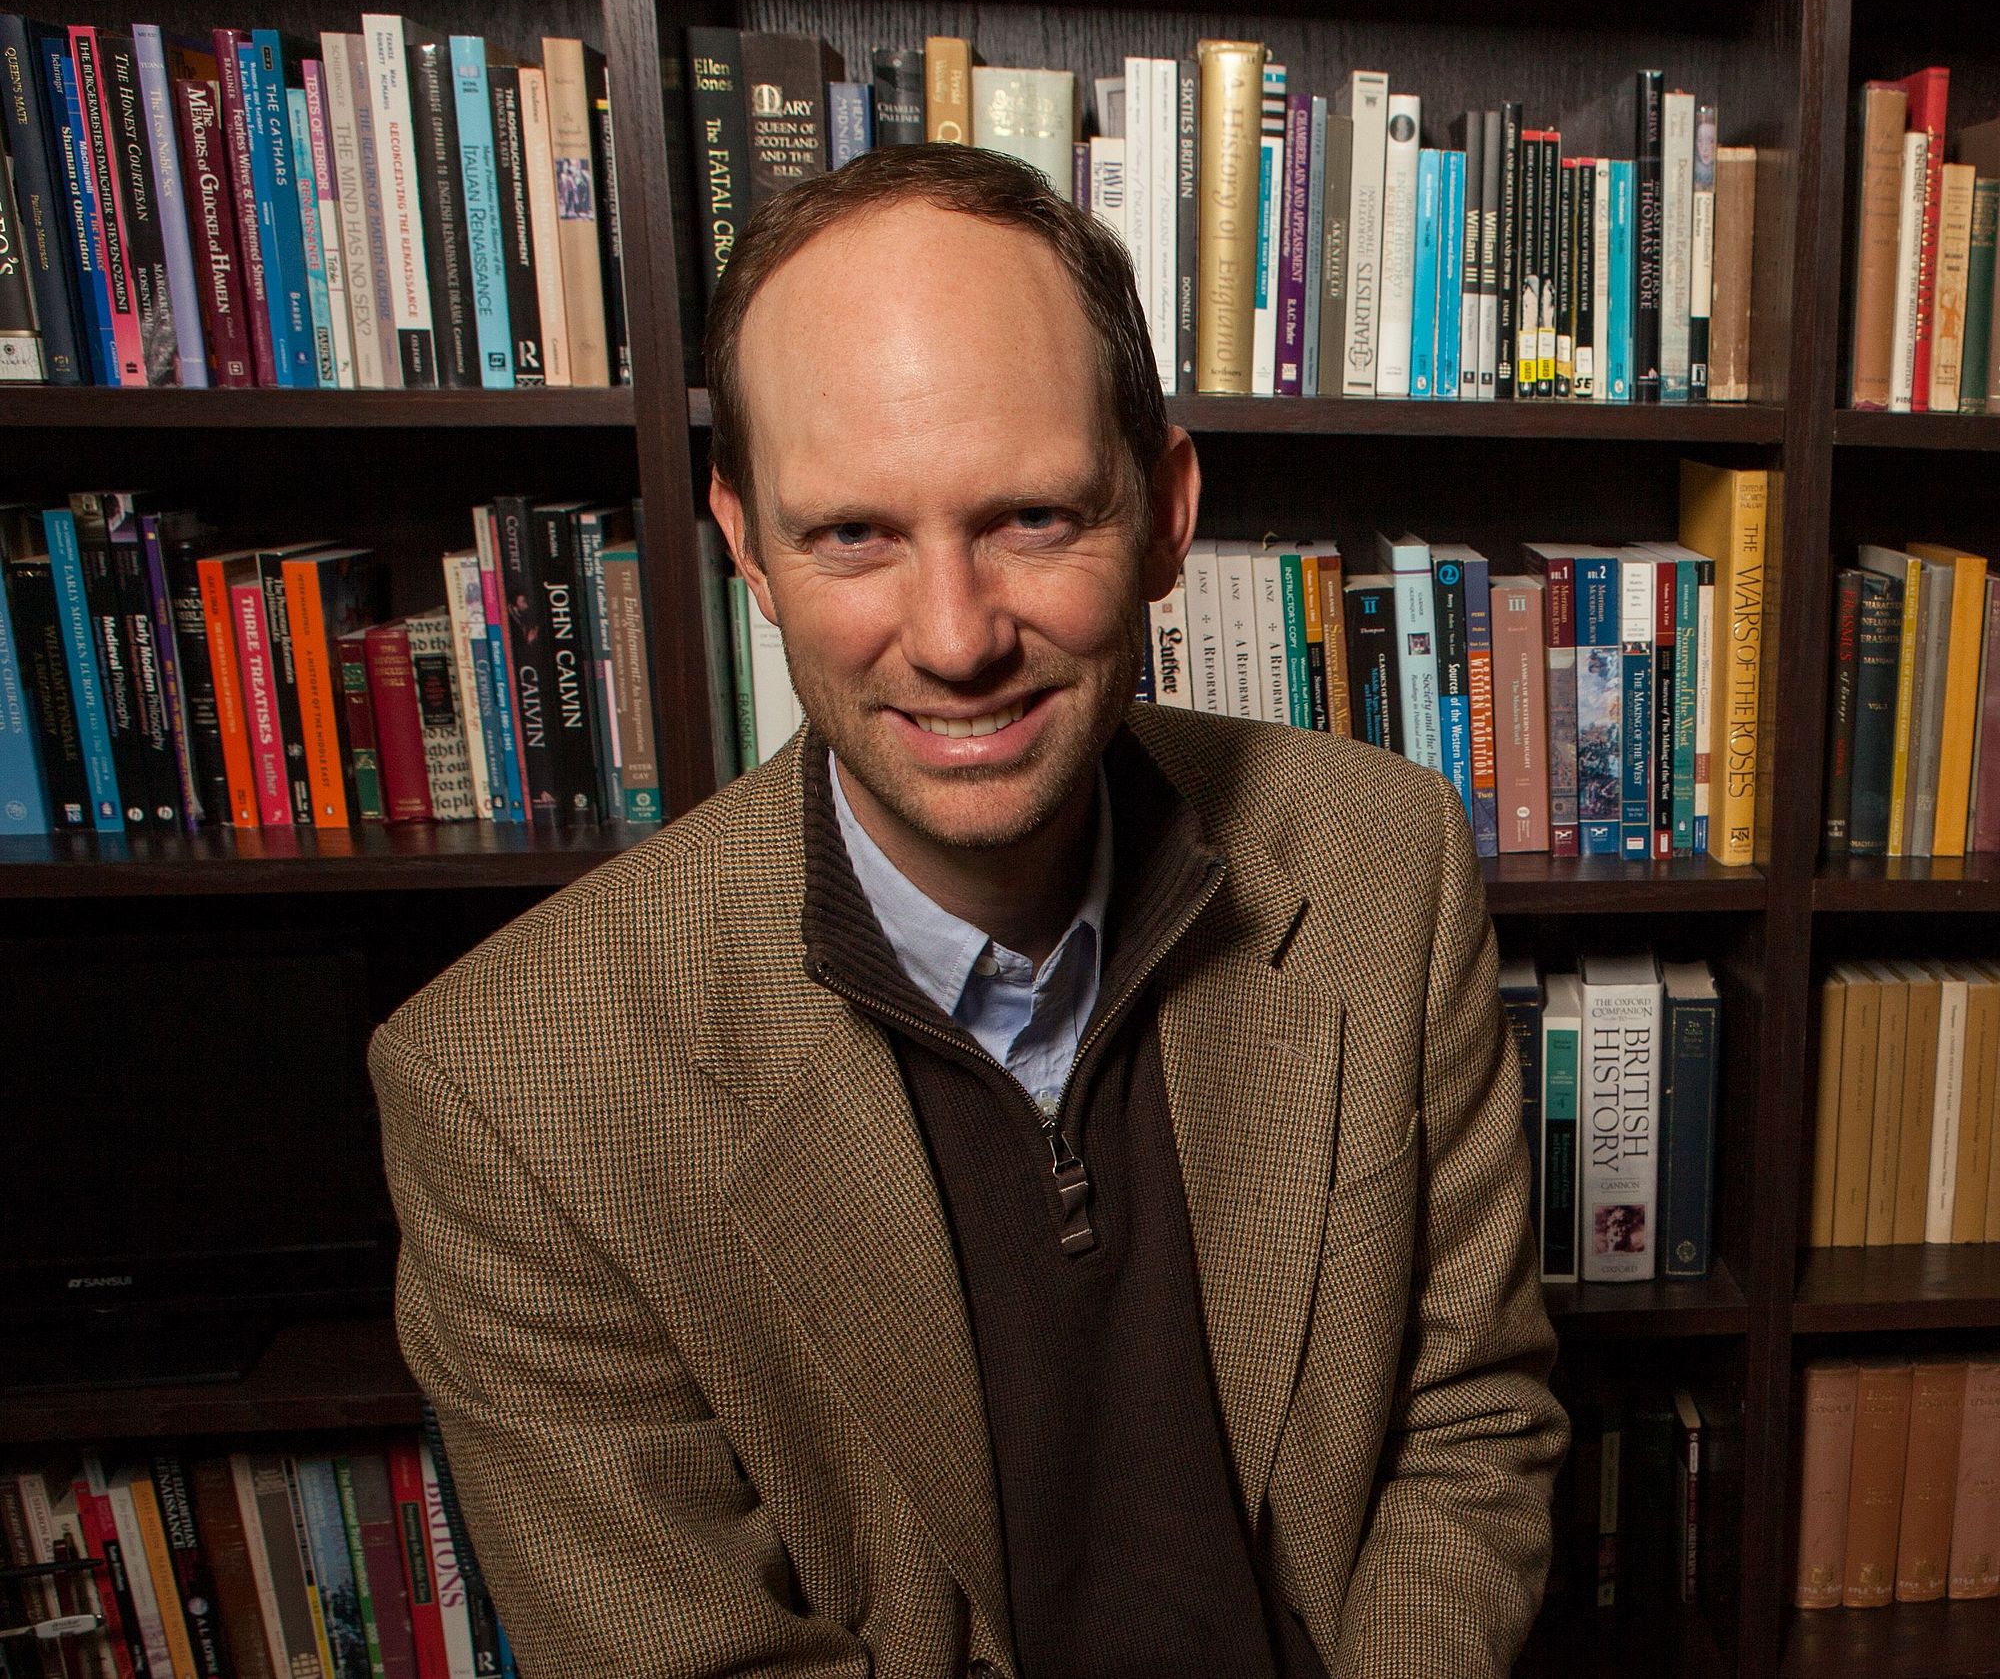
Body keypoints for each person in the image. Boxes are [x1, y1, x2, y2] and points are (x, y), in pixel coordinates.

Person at [370, 142, 1568, 1679]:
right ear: (747, 548)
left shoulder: (1380, 863)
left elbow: (1470, 1425)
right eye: (852, 534)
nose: (953, 639)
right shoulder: (506, 1094)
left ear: (1165, 512)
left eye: (1032, 518)